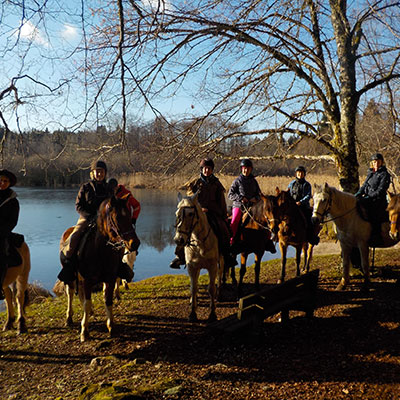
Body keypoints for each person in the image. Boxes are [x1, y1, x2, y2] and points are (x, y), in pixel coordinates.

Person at [170, 157, 236, 269]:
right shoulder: (195, 183)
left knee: (223, 229)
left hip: (213, 213)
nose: (207, 171)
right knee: (183, 229)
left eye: (209, 168)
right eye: (205, 168)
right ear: (201, 169)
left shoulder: (216, 183)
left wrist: (222, 215)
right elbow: (189, 199)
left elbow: (221, 201)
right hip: (196, 213)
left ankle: (226, 255)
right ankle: (180, 256)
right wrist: (200, 209)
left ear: (212, 169)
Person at [58, 160, 112, 283]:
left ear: (105, 173)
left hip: (105, 221)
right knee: (74, 237)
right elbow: (78, 206)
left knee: (119, 238)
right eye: (97, 172)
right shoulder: (85, 187)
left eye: (102, 172)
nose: (99, 174)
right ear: (92, 173)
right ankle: (69, 267)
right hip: (87, 218)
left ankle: (120, 266)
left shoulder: (109, 188)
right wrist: (90, 216)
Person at [228, 159, 276, 253]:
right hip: (239, 206)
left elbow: (259, 194)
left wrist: (256, 198)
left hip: (253, 207)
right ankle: (231, 241)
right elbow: (230, 194)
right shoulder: (237, 181)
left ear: (251, 169)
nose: (246, 170)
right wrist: (241, 198)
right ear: (241, 169)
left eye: (248, 169)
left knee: (266, 219)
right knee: (235, 220)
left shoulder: (254, 181)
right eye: (244, 168)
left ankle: (268, 240)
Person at [355, 153, 391, 245]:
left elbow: (381, 190)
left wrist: (369, 197)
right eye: (374, 162)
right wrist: (358, 194)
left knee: (374, 216)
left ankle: (376, 236)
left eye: (378, 162)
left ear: (381, 162)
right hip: (368, 198)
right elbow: (364, 185)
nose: (376, 163)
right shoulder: (370, 173)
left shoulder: (384, 174)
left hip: (378, 201)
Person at [288, 166, 320, 245]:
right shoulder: (291, 184)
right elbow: (288, 193)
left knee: (309, 220)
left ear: (304, 174)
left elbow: (308, 196)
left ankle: (311, 237)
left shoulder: (307, 184)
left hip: (303, 206)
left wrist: (300, 202)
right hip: (292, 206)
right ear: (296, 174)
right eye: (298, 172)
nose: (300, 174)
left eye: (301, 172)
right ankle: (277, 236)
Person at [0, 170, 19, 300]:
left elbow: (13, 222)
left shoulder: (13, 202)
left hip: (2, 234)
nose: (2, 183)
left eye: (5, 181)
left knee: (1, 254)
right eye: (0, 180)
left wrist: (1, 232)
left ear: (9, 183)